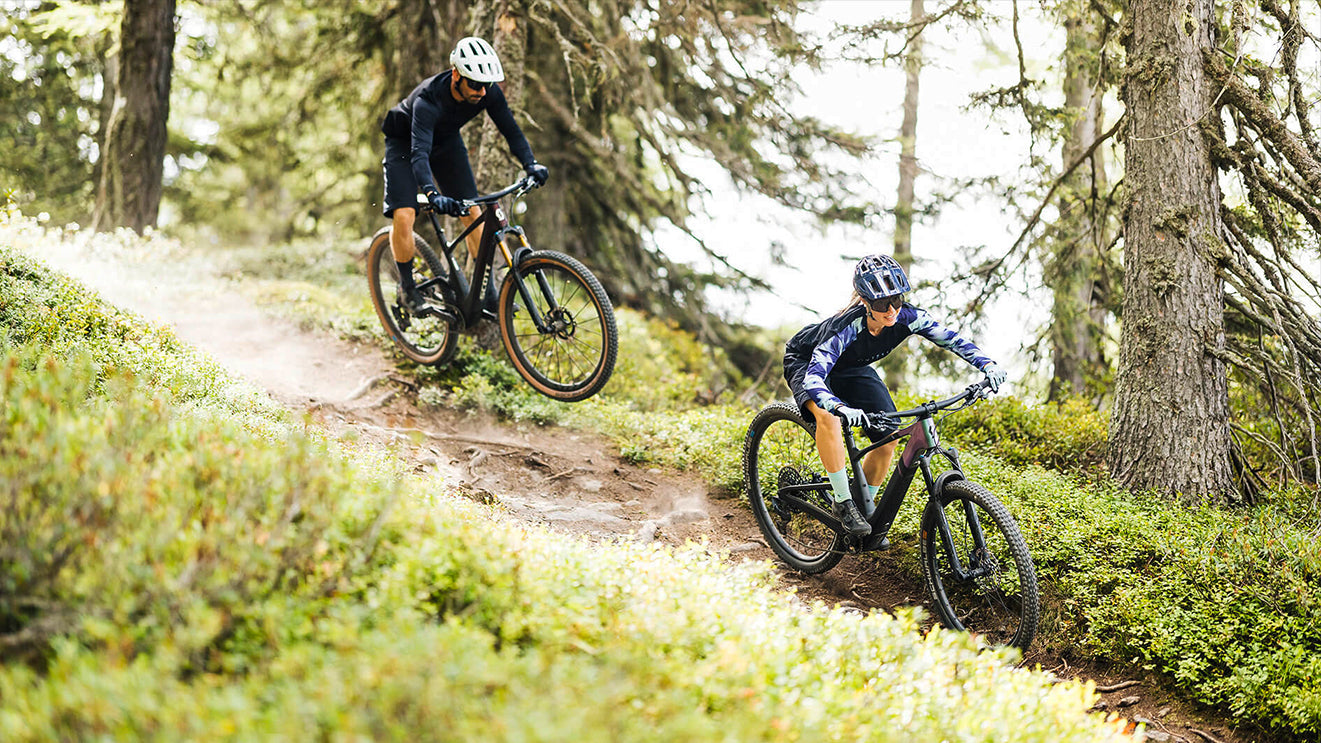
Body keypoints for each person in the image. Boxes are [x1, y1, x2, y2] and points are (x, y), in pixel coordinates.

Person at [782, 254, 1007, 537]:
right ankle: (843, 503)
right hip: (807, 362)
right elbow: (815, 376)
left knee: (888, 437)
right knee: (828, 417)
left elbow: (951, 339)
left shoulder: (908, 317)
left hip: (851, 368)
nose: (891, 310)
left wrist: (986, 364)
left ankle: (865, 510)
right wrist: (839, 406)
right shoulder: (847, 326)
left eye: (896, 300)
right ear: (865, 302)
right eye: (880, 304)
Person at [379, 36, 550, 313]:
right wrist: (432, 193)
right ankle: (407, 287)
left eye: (487, 85)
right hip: (404, 143)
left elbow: (511, 130)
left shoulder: (487, 93)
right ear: (456, 74)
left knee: (472, 210)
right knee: (405, 212)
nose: (482, 92)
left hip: (445, 141)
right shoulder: (428, 100)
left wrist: (531, 164)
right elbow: (419, 154)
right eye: (475, 84)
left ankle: (489, 293)